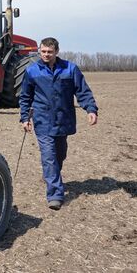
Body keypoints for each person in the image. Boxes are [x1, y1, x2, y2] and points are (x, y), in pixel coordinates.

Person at [19, 37, 98, 210]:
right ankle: (55, 194)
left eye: (49, 52)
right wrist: (25, 118)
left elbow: (83, 91)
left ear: (56, 52)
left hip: (63, 119)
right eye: (43, 51)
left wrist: (91, 109)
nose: (46, 54)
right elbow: (25, 97)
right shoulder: (32, 71)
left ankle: (52, 176)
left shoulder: (70, 69)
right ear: (39, 51)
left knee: (59, 155)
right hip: (42, 120)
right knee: (49, 157)